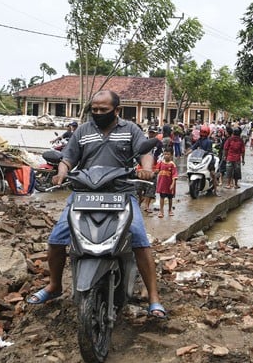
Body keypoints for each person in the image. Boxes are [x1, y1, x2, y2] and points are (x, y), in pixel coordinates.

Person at [28, 90, 166, 319]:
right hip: (84, 193)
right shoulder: (82, 131)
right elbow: (67, 159)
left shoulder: (130, 129)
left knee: (139, 239)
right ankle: (54, 285)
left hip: (121, 193)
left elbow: (145, 153)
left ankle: (154, 297)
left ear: (117, 110)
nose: (99, 113)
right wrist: (61, 173)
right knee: (56, 239)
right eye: (95, 110)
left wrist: (147, 169)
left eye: (104, 109)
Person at [187, 125, 220, 194]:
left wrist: (204, 152)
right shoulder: (199, 140)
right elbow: (194, 147)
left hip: (209, 157)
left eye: (204, 133)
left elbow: (209, 150)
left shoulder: (209, 141)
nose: (202, 134)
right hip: (200, 157)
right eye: (202, 132)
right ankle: (190, 189)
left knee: (212, 173)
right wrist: (187, 152)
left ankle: (215, 190)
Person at [154, 150, 177, 217]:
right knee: (162, 197)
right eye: (165, 154)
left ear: (171, 155)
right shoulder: (161, 163)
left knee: (170, 198)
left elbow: (174, 175)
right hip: (162, 183)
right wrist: (156, 170)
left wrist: (173, 184)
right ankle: (161, 211)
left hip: (169, 184)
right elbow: (156, 170)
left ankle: (170, 210)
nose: (166, 156)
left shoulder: (172, 164)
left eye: (168, 154)